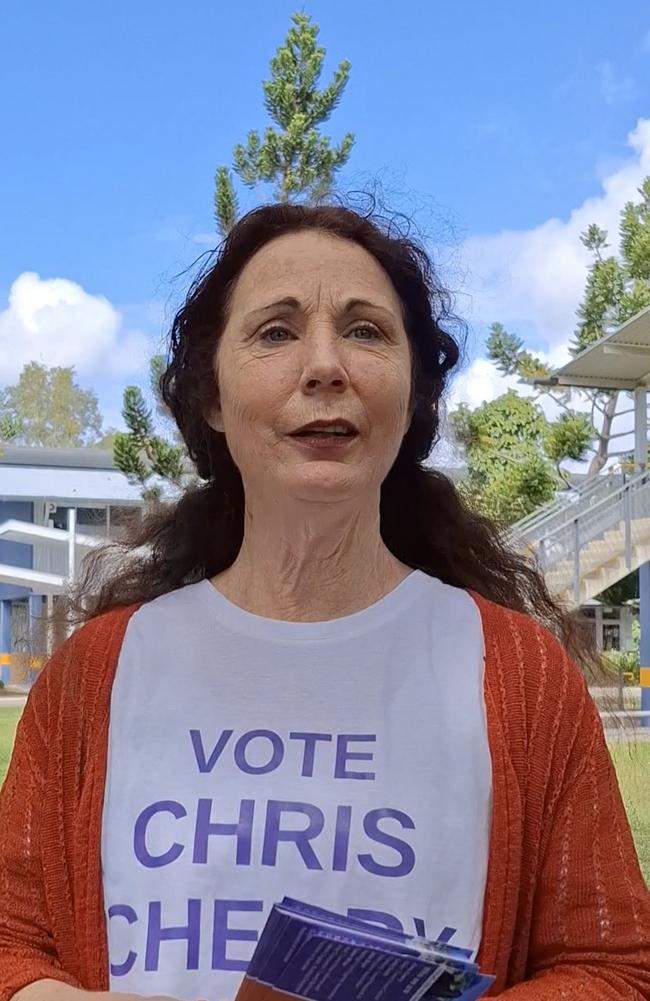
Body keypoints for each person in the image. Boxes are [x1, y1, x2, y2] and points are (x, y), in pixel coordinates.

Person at [0, 202, 648, 1001]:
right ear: (211, 396)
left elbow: (614, 967)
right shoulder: (94, 675)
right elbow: (11, 941)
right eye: (275, 331)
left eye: (367, 330)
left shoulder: (520, 675)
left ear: (413, 396)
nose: (325, 365)